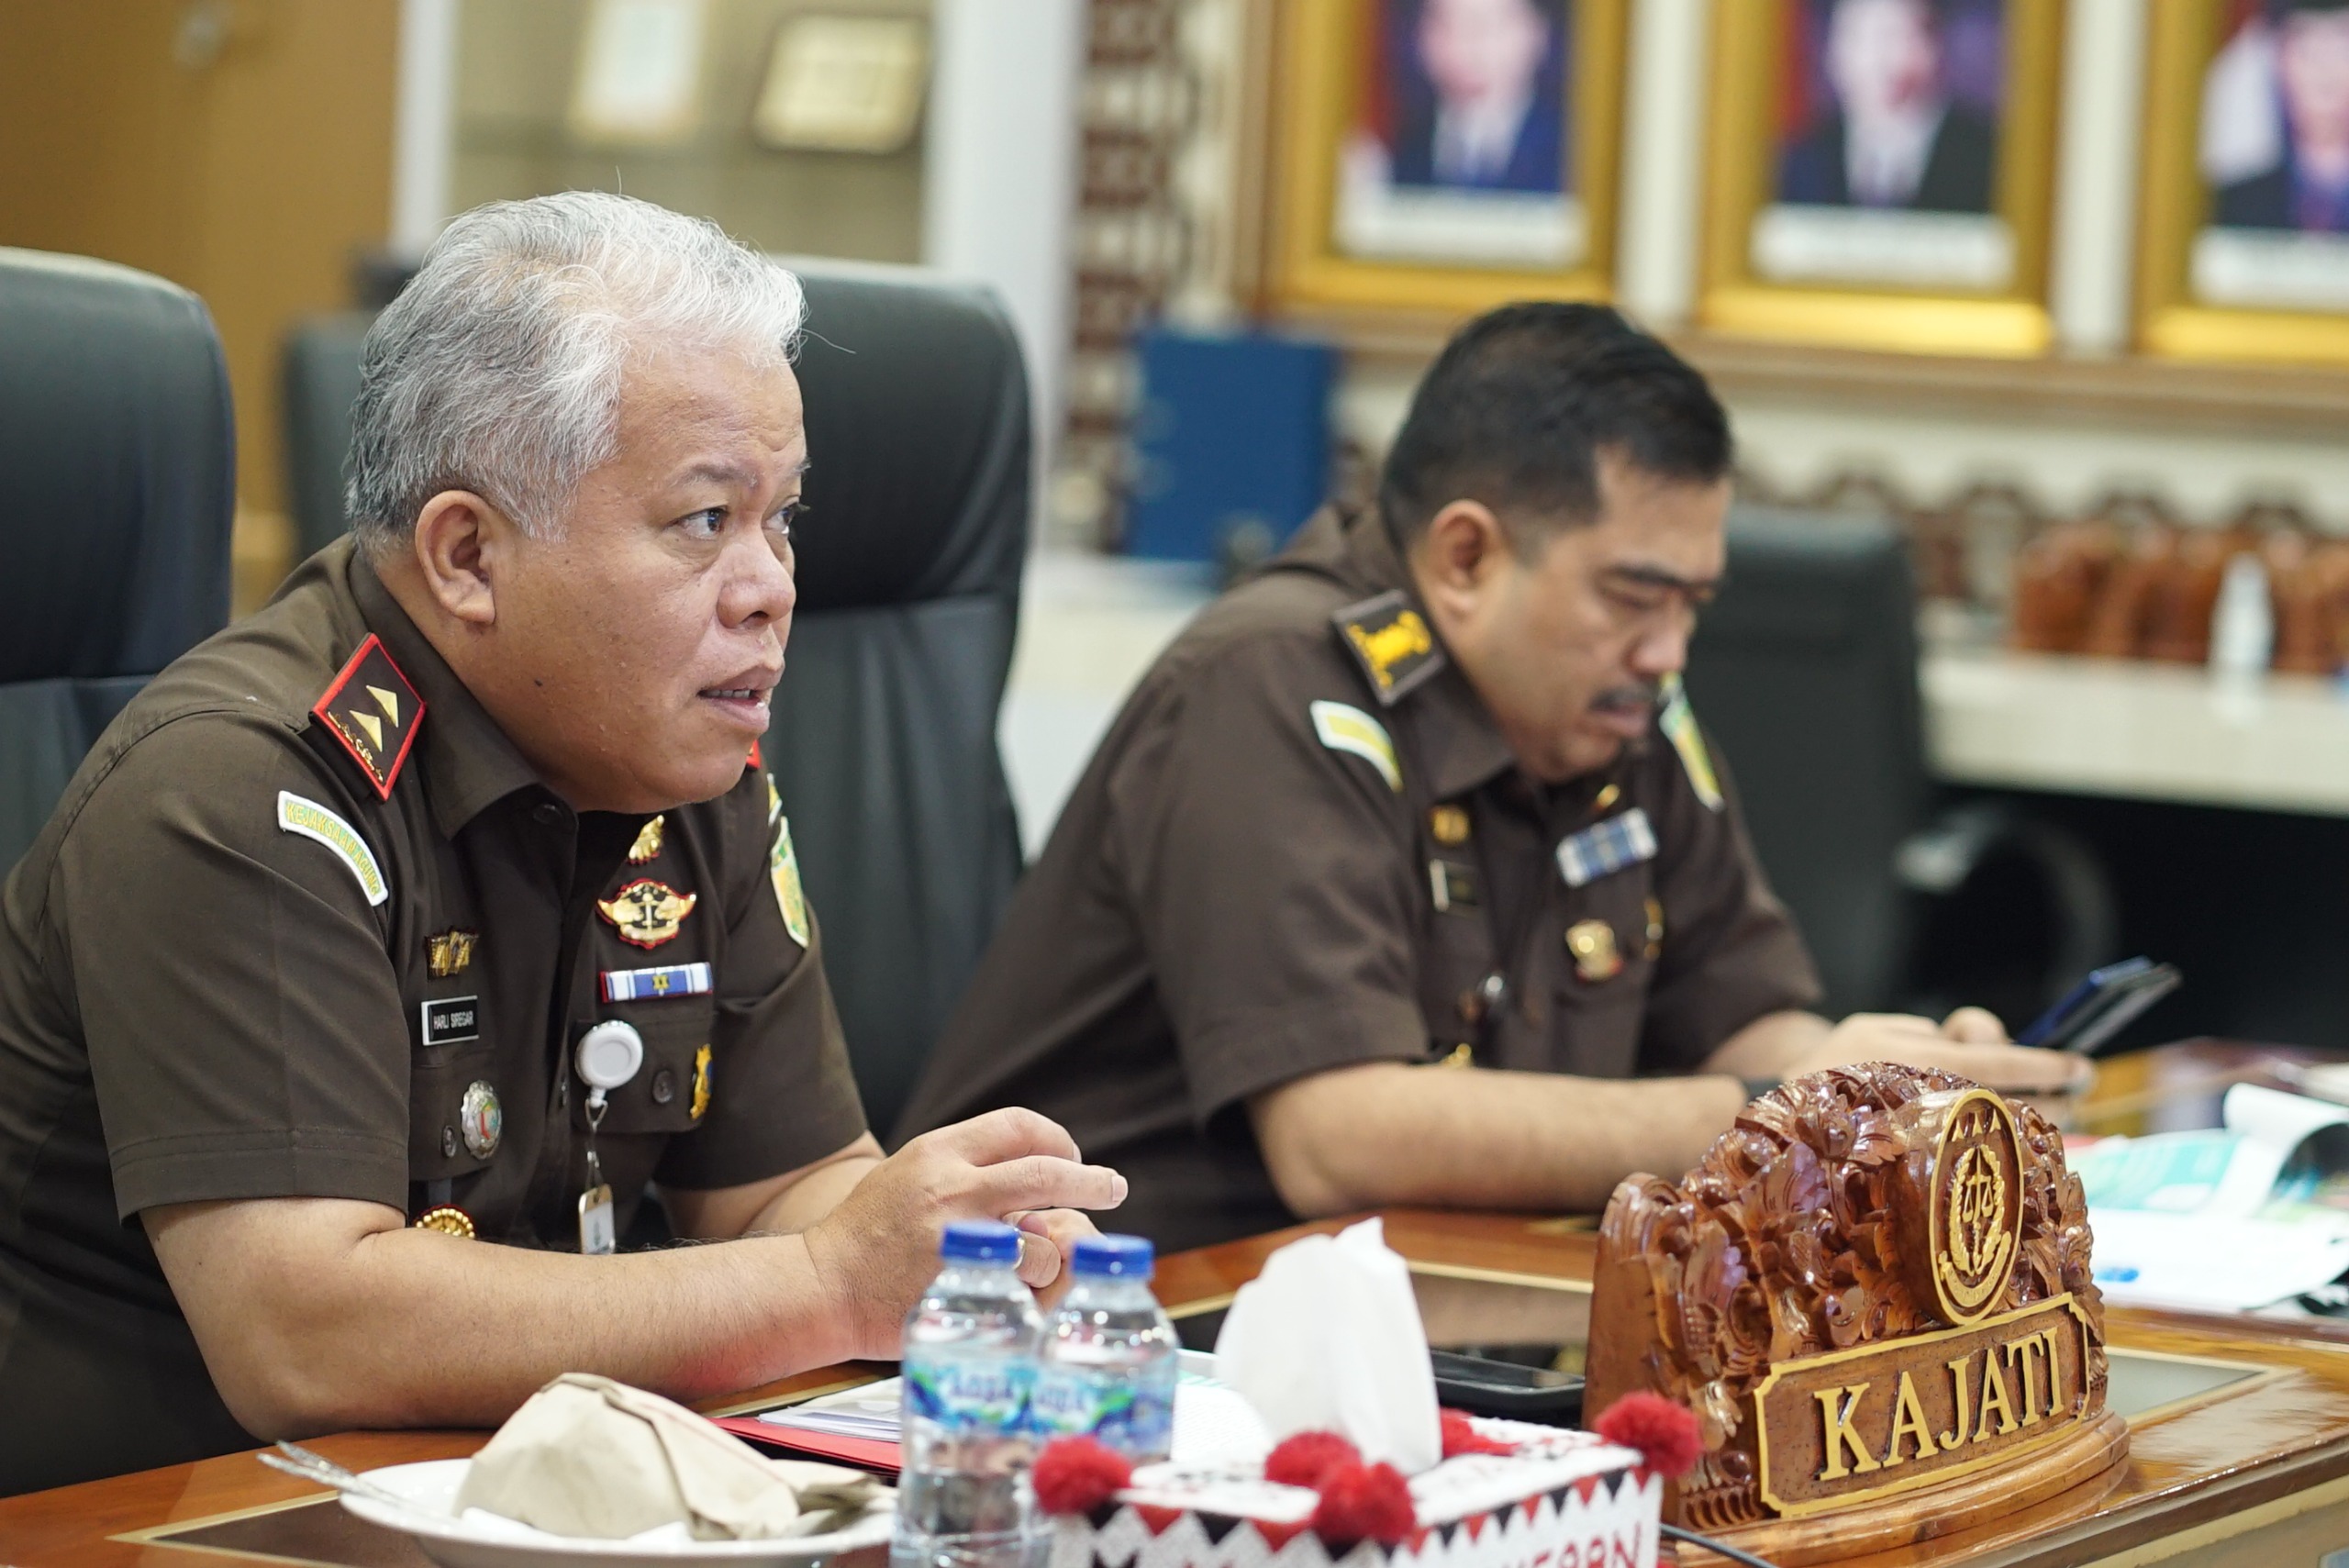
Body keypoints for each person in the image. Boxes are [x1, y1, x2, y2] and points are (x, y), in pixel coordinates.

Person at [0, 193, 1124, 1496]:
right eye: (705, 520)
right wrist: (830, 1280)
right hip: (170, 1517)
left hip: (526, 1490)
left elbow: (788, 1188)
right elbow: (308, 1331)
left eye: (782, 517)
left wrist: (957, 1258)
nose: (771, 586)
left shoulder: (681, 757)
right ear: (468, 554)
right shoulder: (245, 787)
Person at [895, 304, 2086, 1257]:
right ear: (1464, 557)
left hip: (1441, 1303)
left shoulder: (1619, 705)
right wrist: (1781, 1105)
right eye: (1633, 596)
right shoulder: (1272, 683)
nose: (1668, 652)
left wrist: (1889, 1083)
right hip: (1121, 1324)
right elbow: (1340, 1136)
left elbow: (1740, 1014)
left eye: (1692, 604)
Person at [1776, 0, 1997, 213]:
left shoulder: (1986, 158)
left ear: (1936, 45)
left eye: (1899, 36)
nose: (1880, 60)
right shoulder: (1804, 159)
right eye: (1862, 37)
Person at [1386, 0, 1567, 194]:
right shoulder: (1402, 150)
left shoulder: (1571, 151)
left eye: (1486, 26)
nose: (1460, 50)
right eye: (1440, 23)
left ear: (1539, 33)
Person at [2216, 0, 2349, 232]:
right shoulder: (2234, 204)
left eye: (2342, 44)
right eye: (2306, 46)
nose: (2324, 68)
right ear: (2279, 59)